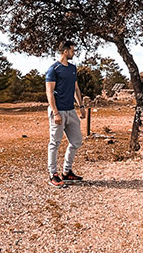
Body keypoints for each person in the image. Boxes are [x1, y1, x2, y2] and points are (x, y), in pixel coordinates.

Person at [45, 40, 86, 187]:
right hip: (59, 111)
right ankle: (52, 175)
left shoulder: (73, 68)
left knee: (76, 141)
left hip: (71, 111)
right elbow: (49, 92)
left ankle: (67, 172)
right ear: (65, 51)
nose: (74, 53)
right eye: (72, 50)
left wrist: (81, 105)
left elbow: (76, 88)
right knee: (55, 143)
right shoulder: (53, 69)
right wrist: (55, 113)